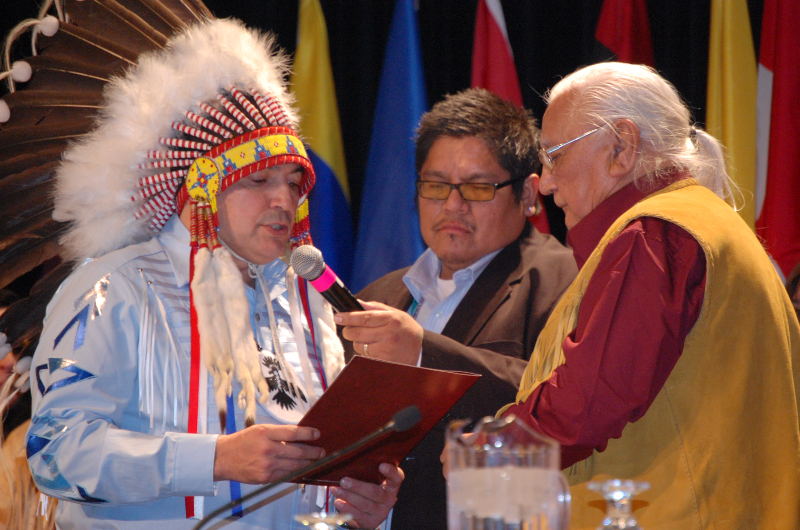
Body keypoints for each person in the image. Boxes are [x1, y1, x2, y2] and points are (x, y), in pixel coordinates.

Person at [25, 19, 401, 529]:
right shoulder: (115, 289)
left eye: (294, 183)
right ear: (201, 191)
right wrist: (216, 459)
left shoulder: (307, 304)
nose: (284, 200)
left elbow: (322, 467)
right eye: (259, 180)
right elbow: (54, 453)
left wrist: (366, 506)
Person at [497, 62, 800, 529]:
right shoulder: (700, 223)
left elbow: (586, 406)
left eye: (554, 155)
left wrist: (488, 451)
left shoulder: (656, 234)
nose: (547, 182)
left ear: (621, 146)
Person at [336, 88, 577, 529]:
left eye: (478, 187)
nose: (452, 205)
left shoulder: (565, 278)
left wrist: (424, 353)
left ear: (528, 193)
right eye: (435, 185)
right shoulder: (381, 294)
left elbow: (566, 398)